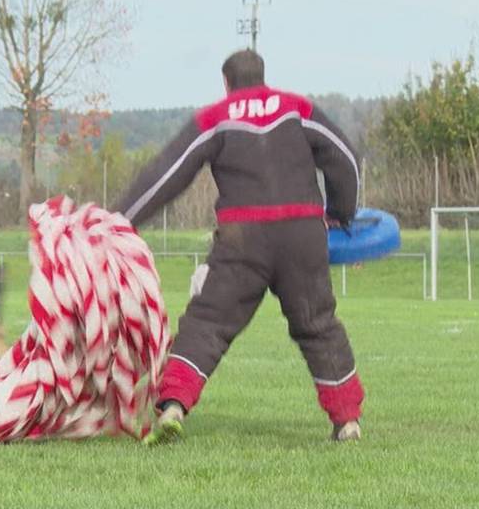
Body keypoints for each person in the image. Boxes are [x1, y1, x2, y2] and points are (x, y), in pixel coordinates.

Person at [113, 49, 364, 444]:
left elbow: (167, 174)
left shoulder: (216, 116)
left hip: (243, 237)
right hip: (302, 231)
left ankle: (174, 404)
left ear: (226, 83)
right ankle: (347, 420)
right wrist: (341, 212)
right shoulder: (297, 107)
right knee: (318, 324)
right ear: (263, 76)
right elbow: (344, 156)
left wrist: (118, 220)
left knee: (208, 321)